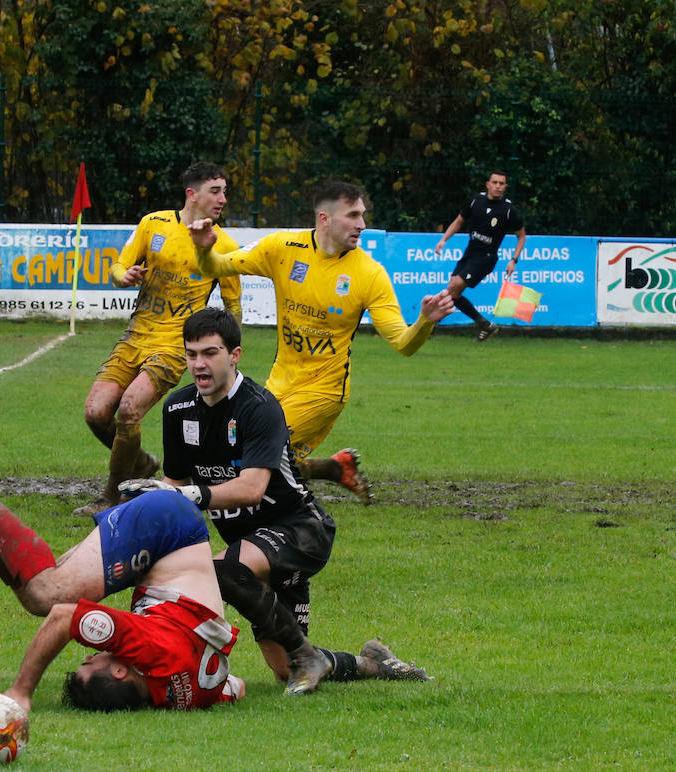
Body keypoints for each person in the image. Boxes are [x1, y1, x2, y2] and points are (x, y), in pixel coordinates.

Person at [121, 307, 431, 693]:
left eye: (210, 353)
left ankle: (297, 655)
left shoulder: (259, 407)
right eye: (191, 354)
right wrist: (143, 521)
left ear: (234, 355)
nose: (199, 364)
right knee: (287, 669)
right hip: (256, 550)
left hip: (301, 531)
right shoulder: (178, 409)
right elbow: (174, 482)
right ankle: (374, 663)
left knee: (221, 569)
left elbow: (251, 488)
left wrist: (186, 494)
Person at [0, 467, 244, 712]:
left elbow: (236, 686)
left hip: (169, 549)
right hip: (170, 529)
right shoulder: (145, 647)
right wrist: (21, 691)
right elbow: (63, 618)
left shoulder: (192, 696)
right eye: (92, 660)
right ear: (119, 672)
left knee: (35, 588)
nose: (90, 653)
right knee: (48, 597)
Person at [188, 180, 455, 503]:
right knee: (256, 451)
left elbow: (403, 343)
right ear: (325, 219)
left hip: (325, 390)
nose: (362, 225)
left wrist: (425, 321)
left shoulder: (370, 274)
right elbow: (217, 266)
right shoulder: (282, 248)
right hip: (281, 380)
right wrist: (204, 248)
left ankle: (300, 522)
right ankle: (333, 468)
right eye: (353, 215)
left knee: (254, 449)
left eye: (363, 215)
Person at [80, 162, 242, 515]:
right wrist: (124, 276)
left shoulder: (223, 244)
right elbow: (117, 268)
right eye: (216, 191)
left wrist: (228, 351)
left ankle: (112, 496)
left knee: (129, 410)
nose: (223, 199)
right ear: (192, 194)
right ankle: (140, 463)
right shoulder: (153, 223)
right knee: (95, 413)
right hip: (135, 334)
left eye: (224, 192)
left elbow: (233, 306)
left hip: (173, 345)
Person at [434, 169, 528, 342]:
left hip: (486, 258)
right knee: (452, 294)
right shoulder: (475, 201)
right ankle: (485, 325)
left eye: (501, 183)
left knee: (453, 287)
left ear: (505, 187)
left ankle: (430, 325)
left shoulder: (508, 210)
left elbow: (521, 237)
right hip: (470, 253)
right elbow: (459, 221)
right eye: (495, 182)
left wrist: (513, 260)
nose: (498, 186)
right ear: (488, 184)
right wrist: (444, 240)